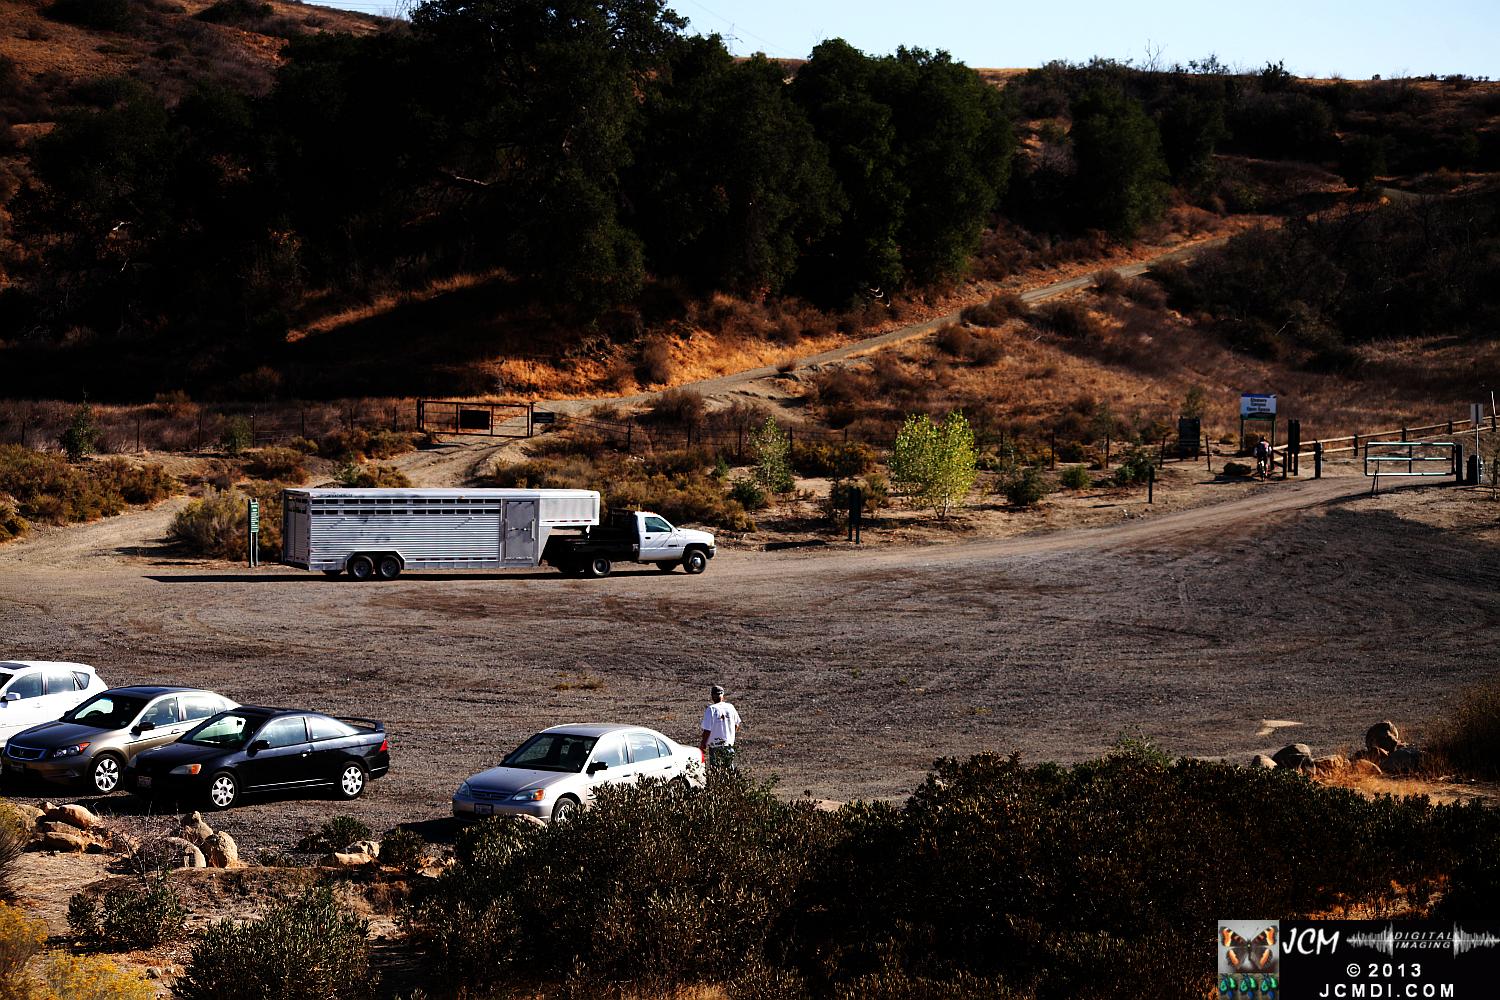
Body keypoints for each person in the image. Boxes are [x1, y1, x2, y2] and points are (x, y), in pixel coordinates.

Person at [699, 684, 741, 770]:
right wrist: (729, 735)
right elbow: (737, 724)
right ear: (723, 695)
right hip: (728, 744)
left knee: (716, 771)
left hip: (715, 746)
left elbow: (707, 730)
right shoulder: (730, 707)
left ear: (712, 696)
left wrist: (703, 745)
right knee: (729, 771)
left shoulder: (711, 709)